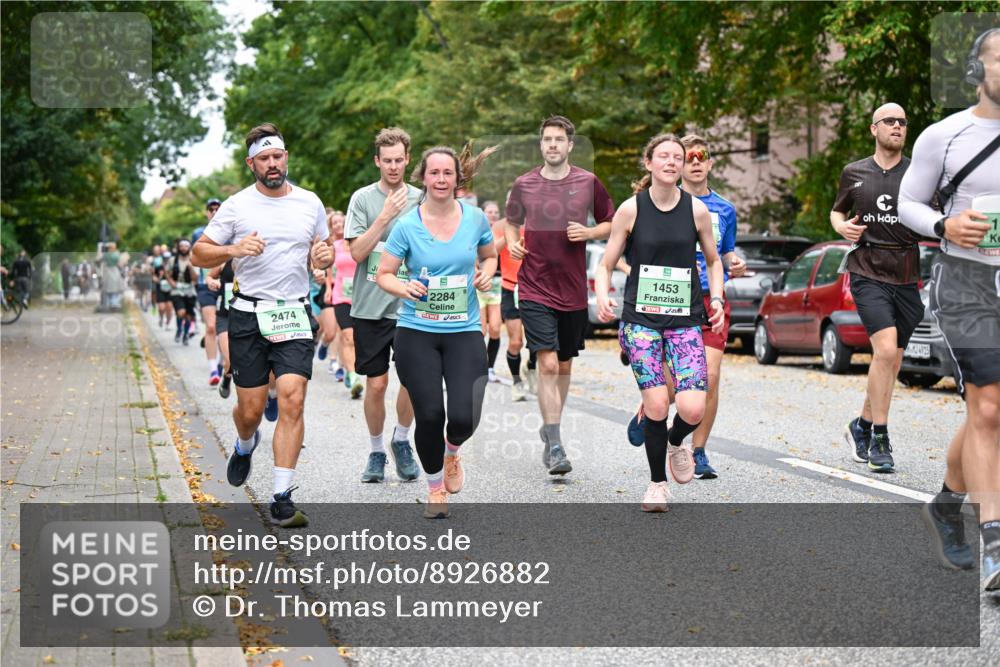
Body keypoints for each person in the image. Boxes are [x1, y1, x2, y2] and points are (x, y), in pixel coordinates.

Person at [898, 28, 1000, 590]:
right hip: (965, 281)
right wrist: (944, 225)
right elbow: (906, 202)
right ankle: (995, 546)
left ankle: (946, 504)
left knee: (990, 411)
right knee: (987, 409)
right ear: (976, 68)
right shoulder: (947, 135)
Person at [192, 122, 332, 528]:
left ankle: (281, 496)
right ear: (251, 163)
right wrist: (235, 248)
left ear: (286, 158)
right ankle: (245, 442)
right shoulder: (236, 206)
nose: (273, 164)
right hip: (249, 315)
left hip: (293, 312)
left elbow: (320, 253)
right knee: (250, 410)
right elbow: (200, 254)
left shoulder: (310, 203)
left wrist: (321, 259)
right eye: (264, 159)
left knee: (291, 396)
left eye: (278, 156)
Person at [596, 133, 725, 512]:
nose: (671, 162)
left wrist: (715, 297)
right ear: (649, 163)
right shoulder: (630, 210)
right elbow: (605, 265)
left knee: (692, 409)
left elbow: (715, 261)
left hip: (685, 319)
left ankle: (675, 440)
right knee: (655, 404)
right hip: (640, 320)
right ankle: (657, 485)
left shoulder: (696, 210)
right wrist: (604, 295)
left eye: (678, 157)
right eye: (663, 156)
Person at [376, 143, 498, 518]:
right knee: (429, 414)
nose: (441, 179)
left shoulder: (476, 219)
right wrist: (404, 287)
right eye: (434, 173)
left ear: (458, 178)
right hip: (417, 331)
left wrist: (487, 272)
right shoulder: (407, 225)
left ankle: (452, 453)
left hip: (463, 330)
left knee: (465, 415)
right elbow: (384, 274)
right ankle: (434, 488)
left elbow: (490, 255)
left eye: (448, 173)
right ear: (423, 177)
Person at [623, 135, 747, 479]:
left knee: (710, 376)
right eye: (685, 156)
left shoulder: (722, 209)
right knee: (669, 384)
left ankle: (698, 449)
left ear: (709, 164)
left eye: (700, 156)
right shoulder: (652, 203)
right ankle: (653, 410)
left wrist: (734, 262)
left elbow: (723, 254)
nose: (692, 162)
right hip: (664, 304)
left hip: (707, 299)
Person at [504, 115, 614, 475]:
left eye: (559, 139)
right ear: (541, 145)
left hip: (573, 290)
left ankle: (552, 429)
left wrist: (589, 232)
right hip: (534, 285)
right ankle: (555, 443)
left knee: (564, 365)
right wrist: (511, 245)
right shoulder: (525, 184)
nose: (553, 145)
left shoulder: (587, 182)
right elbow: (510, 222)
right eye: (547, 139)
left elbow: (612, 222)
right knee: (547, 362)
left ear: (569, 145)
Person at [832, 103, 922, 473]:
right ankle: (880, 439)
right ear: (874, 128)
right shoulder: (854, 172)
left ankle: (862, 425)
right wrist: (841, 228)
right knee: (884, 350)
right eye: (890, 121)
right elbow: (837, 211)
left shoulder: (919, 172)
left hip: (906, 273)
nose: (898, 126)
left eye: (903, 121)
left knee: (891, 360)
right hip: (867, 269)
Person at [345, 127, 421, 484]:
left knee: (413, 380)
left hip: (411, 306)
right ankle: (376, 450)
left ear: (408, 159)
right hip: (370, 306)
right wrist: (386, 216)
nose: (393, 167)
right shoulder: (362, 199)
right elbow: (358, 252)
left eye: (399, 160)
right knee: (375, 384)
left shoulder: (422, 199)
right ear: (377, 161)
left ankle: (401, 440)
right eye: (386, 161)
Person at [325, 209, 362, 396]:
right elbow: (328, 269)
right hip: (341, 297)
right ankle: (354, 376)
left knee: (357, 339)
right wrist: (328, 288)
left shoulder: (361, 246)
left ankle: (349, 369)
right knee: (347, 336)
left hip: (361, 299)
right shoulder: (336, 246)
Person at [196, 199, 224, 386]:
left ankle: (223, 362)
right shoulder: (199, 234)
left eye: (217, 209)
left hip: (227, 285)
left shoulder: (231, 232)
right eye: (211, 210)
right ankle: (213, 369)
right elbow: (194, 257)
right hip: (205, 285)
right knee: (211, 327)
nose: (214, 212)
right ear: (207, 213)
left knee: (228, 329)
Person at [477, 201, 505, 383]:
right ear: (483, 213)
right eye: (489, 212)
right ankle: (477, 367)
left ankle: (490, 368)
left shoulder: (504, 231)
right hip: (479, 281)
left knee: (495, 328)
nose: (493, 215)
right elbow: (489, 253)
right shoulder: (477, 231)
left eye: (496, 212)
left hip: (497, 281)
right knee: (481, 329)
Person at [207, 258, 235, 398]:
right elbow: (209, 276)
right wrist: (212, 281)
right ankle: (227, 378)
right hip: (225, 316)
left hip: (250, 317)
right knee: (230, 360)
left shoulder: (259, 260)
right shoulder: (225, 260)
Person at [167, 239, 198, 344]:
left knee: (188, 315)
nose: (183, 248)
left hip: (189, 290)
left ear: (189, 247)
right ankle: (179, 330)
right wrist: (171, 282)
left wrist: (191, 268)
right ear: (178, 248)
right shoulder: (172, 260)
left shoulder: (193, 260)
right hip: (176, 290)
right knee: (181, 313)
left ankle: (185, 335)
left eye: (186, 246)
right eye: (181, 246)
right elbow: (167, 273)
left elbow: (195, 278)